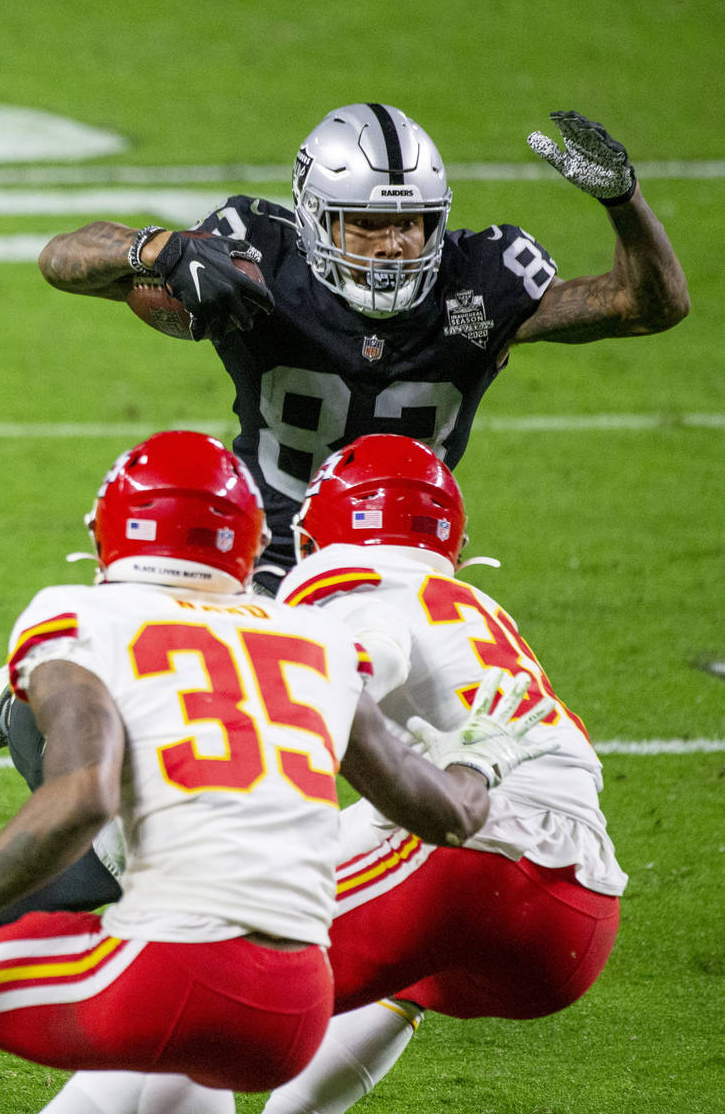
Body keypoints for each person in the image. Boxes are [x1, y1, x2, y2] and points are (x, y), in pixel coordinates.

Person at [0, 104, 687, 791]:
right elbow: (62, 260)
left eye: (411, 225)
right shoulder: (257, 256)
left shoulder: (481, 279)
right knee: (199, 754)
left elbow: (648, 304)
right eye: (366, 224)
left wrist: (624, 202)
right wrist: (155, 250)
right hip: (251, 554)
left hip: (400, 568)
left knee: (444, 764)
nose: (394, 245)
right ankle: (19, 702)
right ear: (316, 215)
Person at [0, 430, 549, 1113]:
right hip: (297, 1000)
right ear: (251, 542)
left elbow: (81, 797)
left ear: (112, 528)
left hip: (173, 962)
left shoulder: (81, 616)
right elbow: (443, 815)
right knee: (171, 1072)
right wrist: (481, 763)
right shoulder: (318, 640)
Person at [33, 432, 627, 1114]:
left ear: (323, 532)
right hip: (576, 915)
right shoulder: (476, 609)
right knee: (383, 961)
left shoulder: (348, 576)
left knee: (196, 975)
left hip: (474, 864)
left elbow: (361, 656)